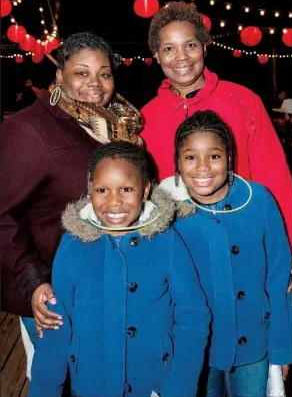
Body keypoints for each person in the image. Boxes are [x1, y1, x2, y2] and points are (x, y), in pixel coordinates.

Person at [0, 32, 143, 379]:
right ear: (59, 75)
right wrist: (33, 283)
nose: (95, 83)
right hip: (56, 296)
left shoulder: (115, 127)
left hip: (109, 289)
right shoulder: (29, 129)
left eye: (104, 73)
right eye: (81, 72)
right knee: (59, 382)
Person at [29, 142, 210, 397]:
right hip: (91, 385)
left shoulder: (167, 242)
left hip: (155, 385)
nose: (114, 202)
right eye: (102, 190)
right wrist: (44, 390)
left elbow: (193, 315)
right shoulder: (72, 245)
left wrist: (179, 386)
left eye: (126, 189)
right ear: (90, 190)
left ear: (145, 189)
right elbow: (56, 323)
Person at [140, 2, 292, 254]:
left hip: (246, 244)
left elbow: (276, 179)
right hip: (179, 253)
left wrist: (291, 246)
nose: (181, 57)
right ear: (157, 55)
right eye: (169, 48)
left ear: (204, 46)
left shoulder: (244, 101)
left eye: (190, 45)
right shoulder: (145, 118)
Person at [160, 110, 292, 397]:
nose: (203, 168)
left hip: (254, 346)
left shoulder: (259, 200)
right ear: (177, 163)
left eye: (214, 156)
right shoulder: (165, 212)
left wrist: (282, 348)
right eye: (190, 157)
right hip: (193, 351)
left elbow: (279, 278)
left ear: (230, 158)